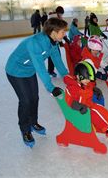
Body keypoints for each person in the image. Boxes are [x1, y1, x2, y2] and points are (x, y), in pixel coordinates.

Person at [5, 18, 69, 148]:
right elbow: (40, 67)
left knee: (34, 98)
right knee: (26, 101)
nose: (65, 34)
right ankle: (25, 130)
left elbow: (57, 59)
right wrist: (51, 88)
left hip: (29, 71)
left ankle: (33, 122)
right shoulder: (35, 43)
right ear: (54, 32)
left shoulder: (54, 42)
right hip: (15, 70)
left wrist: (67, 77)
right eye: (63, 32)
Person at [64, 61, 108, 138]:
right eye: (86, 79)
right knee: (95, 112)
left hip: (88, 106)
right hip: (79, 112)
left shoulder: (85, 83)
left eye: (89, 79)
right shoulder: (72, 87)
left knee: (100, 108)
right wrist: (79, 106)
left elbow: (90, 87)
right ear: (78, 76)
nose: (88, 81)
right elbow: (69, 100)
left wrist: (94, 89)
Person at [47, 6, 65, 77]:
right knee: (52, 55)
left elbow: (60, 30)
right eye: (61, 13)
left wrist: (61, 41)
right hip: (50, 39)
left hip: (55, 40)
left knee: (57, 55)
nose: (61, 15)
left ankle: (52, 70)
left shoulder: (59, 18)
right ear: (58, 12)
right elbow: (55, 30)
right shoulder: (53, 18)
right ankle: (50, 71)